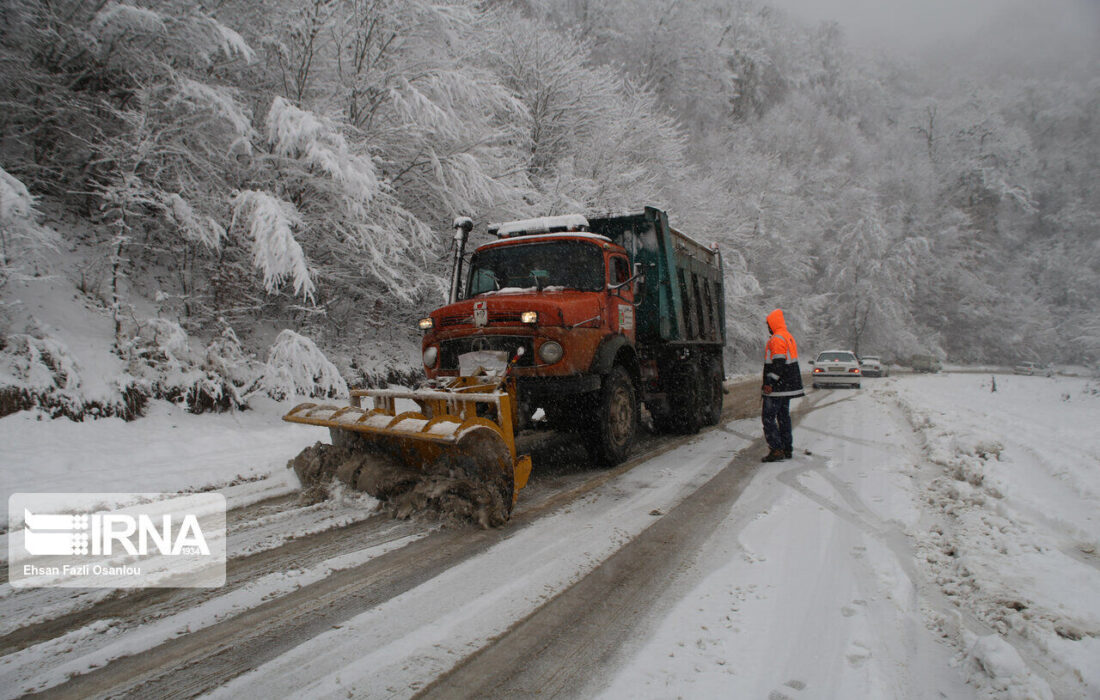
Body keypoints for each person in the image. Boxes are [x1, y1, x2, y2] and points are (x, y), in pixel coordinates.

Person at [761, 308, 804, 462]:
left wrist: (770, 382)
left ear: (773, 324)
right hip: (787, 387)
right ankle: (787, 448)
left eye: (768, 325)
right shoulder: (788, 337)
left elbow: (778, 363)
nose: (768, 328)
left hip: (777, 388)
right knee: (783, 417)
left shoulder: (777, 339)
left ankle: (776, 449)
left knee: (768, 418)